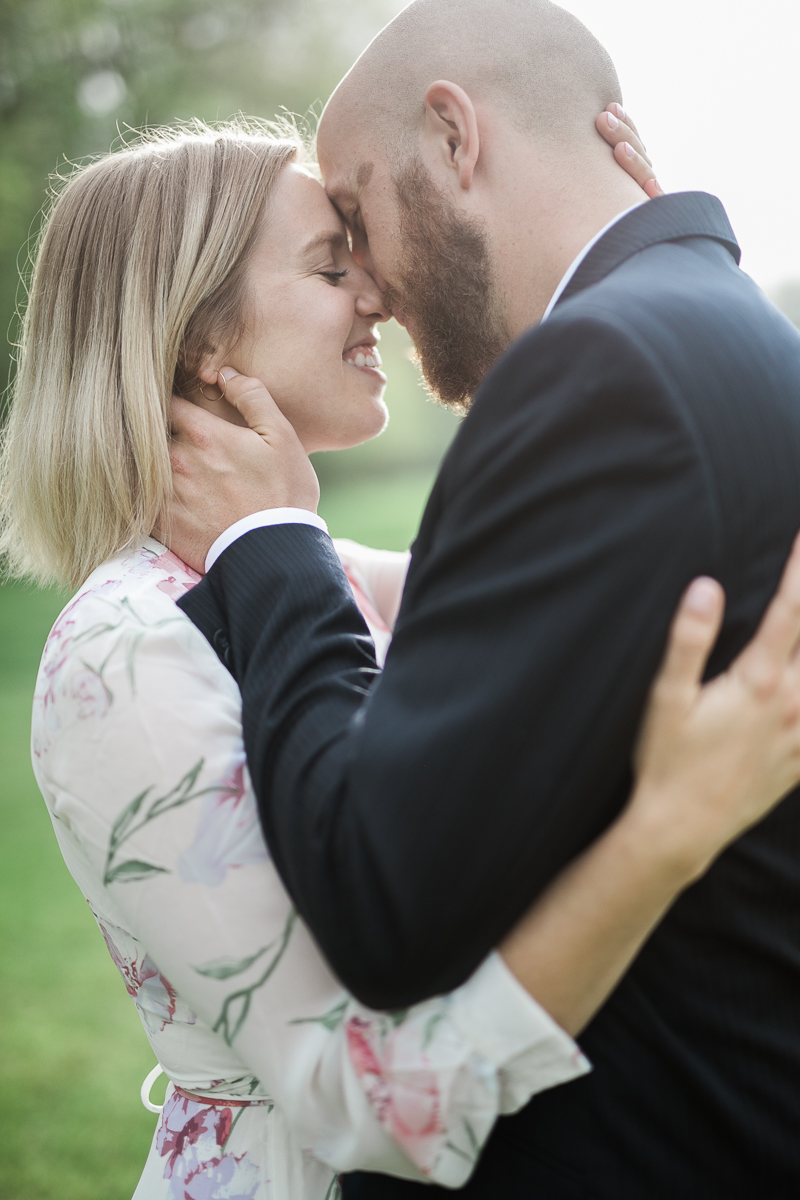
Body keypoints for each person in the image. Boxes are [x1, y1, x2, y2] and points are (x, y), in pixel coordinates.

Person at [158, 2, 800, 1197]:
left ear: (452, 136)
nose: (369, 288)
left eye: (353, 214)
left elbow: (382, 904)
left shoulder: (601, 371)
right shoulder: (724, 332)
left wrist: (272, 541)